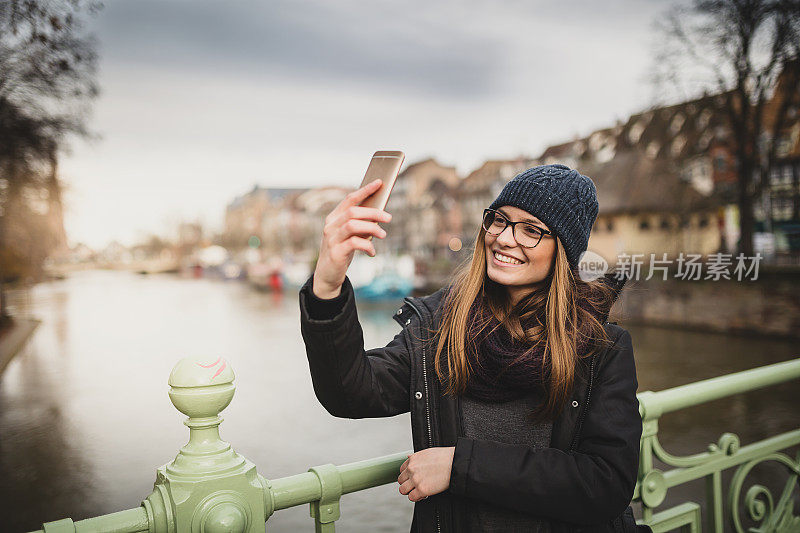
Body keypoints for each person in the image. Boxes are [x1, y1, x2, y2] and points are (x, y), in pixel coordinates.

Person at [299, 164, 646, 532]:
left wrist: (459, 466)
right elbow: (350, 393)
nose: (505, 238)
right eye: (499, 220)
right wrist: (328, 282)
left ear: (563, 249)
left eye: (530, 230)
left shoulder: (601, 348)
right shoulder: (440, 326)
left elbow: (605, 484)